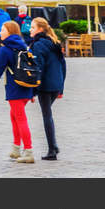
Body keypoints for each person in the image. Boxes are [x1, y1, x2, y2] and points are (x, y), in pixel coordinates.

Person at [0, 20, 35, 164]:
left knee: (20, 119)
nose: (0, 32)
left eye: (3, 30)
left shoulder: (5, 49)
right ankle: (16, 149)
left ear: (10, 32)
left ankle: (28, 151)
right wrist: (33, 90)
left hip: (15, 88)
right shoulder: (23, 46)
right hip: (26, 86)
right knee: (15, 117)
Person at [27, 18, 66, 161]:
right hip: (56, 85)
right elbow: (63, 65)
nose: (30, 30)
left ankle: (52, 149)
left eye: (32, 27)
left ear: (40, 29)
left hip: (45, 86)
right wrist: (61, 88)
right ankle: (53, 146)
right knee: (47, 114)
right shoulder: (53, 42)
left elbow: (38, 68)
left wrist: (32, 90)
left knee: (46, 116)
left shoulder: (38, 45)